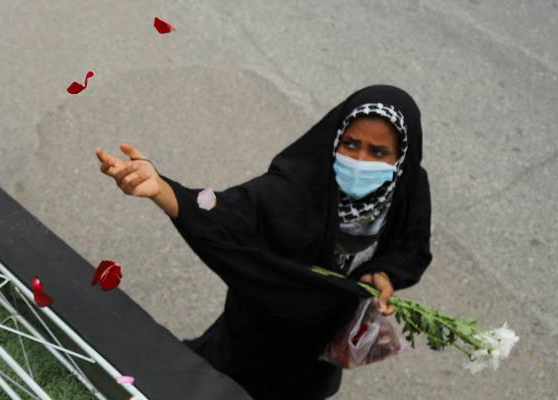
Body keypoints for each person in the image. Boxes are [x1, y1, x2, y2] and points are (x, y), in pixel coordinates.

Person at [95, 85, 431, 399]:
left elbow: (412, 248)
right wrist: (163, 190)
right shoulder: (295, 186)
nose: (360, 161)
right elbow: (227, 216)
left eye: (378, 152)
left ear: (401, 156)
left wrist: (383, 274)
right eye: (350, 144)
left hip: (322, 351)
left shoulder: (407, 189)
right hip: (258, 333)